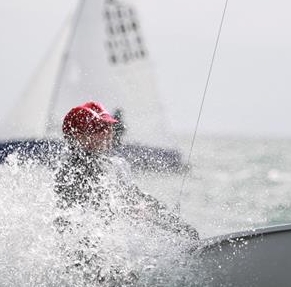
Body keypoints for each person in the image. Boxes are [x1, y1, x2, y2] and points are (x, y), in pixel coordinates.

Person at [55, 101, 198, 240]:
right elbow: (97, 211)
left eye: (109, 127)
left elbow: (134, 195)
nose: (107, 133)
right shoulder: (74, 171)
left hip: (104, 240)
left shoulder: (111, 163)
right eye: (99, 129)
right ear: (79, 136)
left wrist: (175, 223)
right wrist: (132, 210)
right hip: (83, 246)